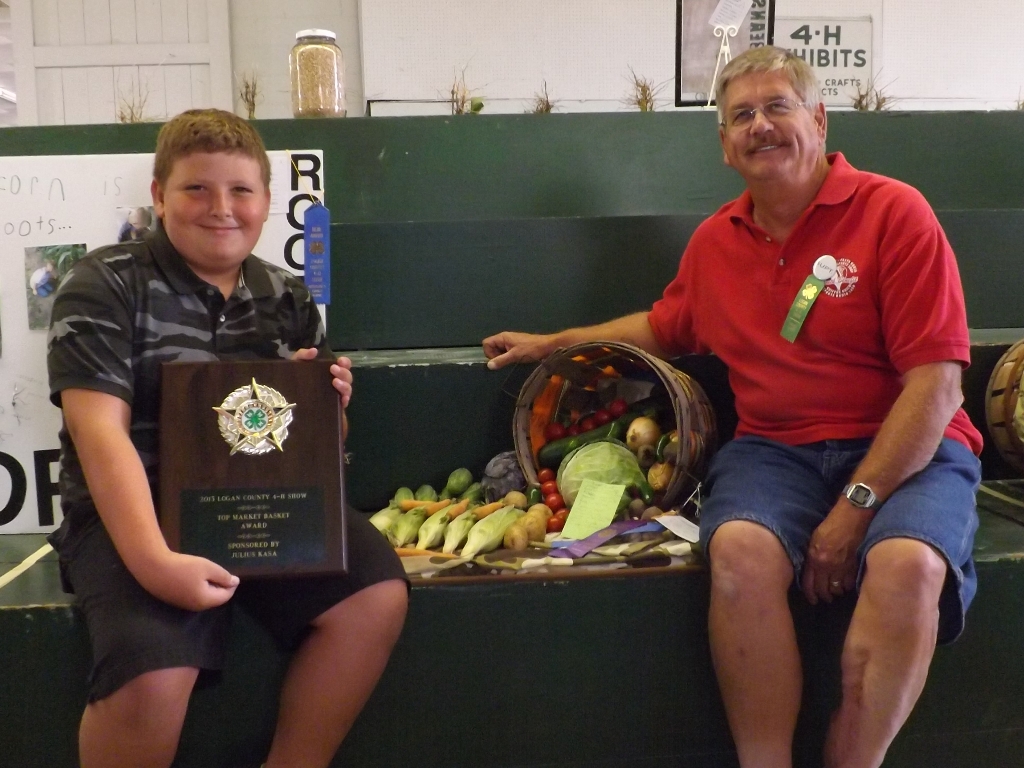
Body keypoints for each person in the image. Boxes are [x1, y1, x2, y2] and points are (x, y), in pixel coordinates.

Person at [483, 46, 981, 768]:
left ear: (819, 119)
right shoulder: (716, 241)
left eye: (777, 106)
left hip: (910, 452)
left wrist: (853, 510)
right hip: (776, 451)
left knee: (909, 564)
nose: (760, 125)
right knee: (740, 553)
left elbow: (937, 387)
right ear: (724, 145)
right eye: (741, 115)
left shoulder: (894, 212)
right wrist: (552, 344)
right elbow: (664, 326)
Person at [47, 108, 408, 768]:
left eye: (241, 190)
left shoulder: (286, 294)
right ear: (159, 196)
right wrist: (157, 563)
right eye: (196, 188)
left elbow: (318, 444)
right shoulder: (103, 284)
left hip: (264, 503)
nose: (221, 208)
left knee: (375, 594)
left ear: (266, 202)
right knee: (153, 671)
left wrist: (330, 404)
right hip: (136, 513)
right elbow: (98, 434)